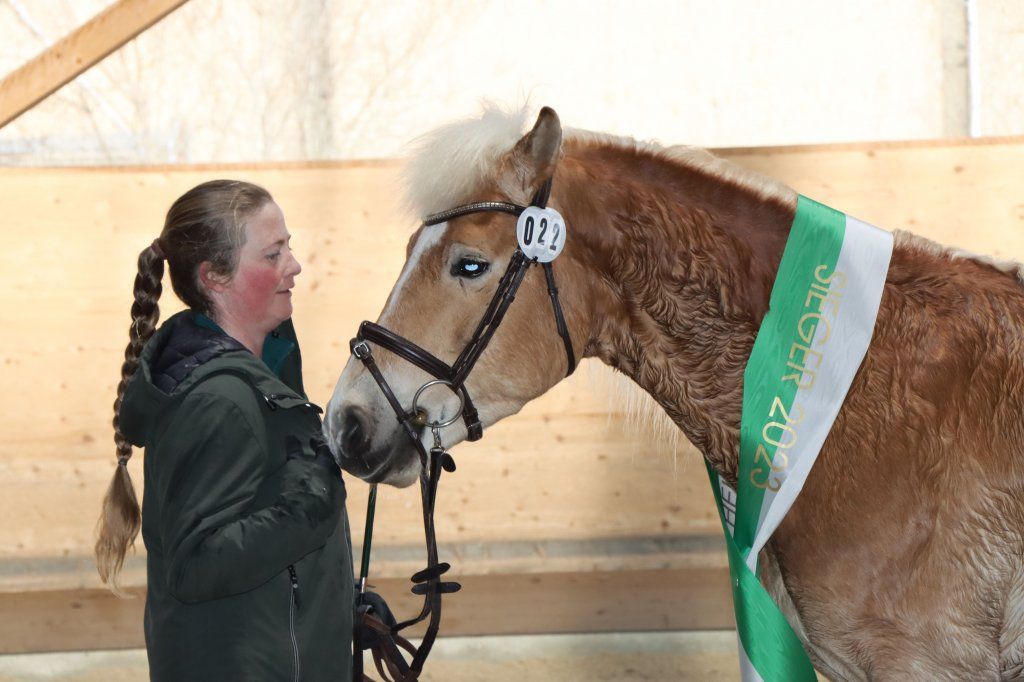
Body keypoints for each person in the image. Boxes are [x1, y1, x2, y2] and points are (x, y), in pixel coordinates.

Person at [94, 179, 354, 681]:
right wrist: (312, 506)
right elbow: (197, 565)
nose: (294, 266)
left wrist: (338, 602)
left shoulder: (261, 373)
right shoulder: (218, 401)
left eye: (289, 247)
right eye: (273, 254)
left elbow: (271, 557)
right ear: (214, 276)